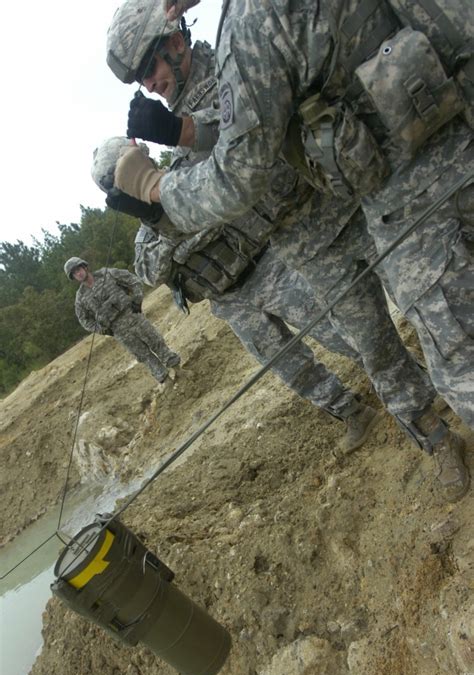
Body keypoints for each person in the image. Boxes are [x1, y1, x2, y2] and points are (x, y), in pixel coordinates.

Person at [101, 9, 469, 500]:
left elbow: (248, 139)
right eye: (143, 78)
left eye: (152, 67)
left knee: (434, 306)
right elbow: (212, 203)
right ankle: (437, 437)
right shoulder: (172, 129)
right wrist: (152, 208)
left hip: (356, 199)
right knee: (374, 346)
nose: (152, 83)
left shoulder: (241, 56)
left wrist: (186, 131)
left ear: (175, 40)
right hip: (305, 243)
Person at [92, 137, 381, 455]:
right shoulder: (147, 237)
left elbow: (222, 205)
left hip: (271, 268)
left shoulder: (192, 178)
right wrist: (159, 224)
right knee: (291, 367)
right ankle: (352, 412)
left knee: (338, 330)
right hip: (231, 302)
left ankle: (402, 379)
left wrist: (173, 224)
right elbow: (151, 272)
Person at [64, 256, 180, 383]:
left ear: (85, 267)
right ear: (73, 277)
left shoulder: (107, 274)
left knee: (156, 341)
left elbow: (133, 281)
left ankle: (178, 369)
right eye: (74, 273)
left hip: (132, 315)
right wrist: (102, 330)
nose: (78, 273)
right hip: (118, 329)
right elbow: (84, 320)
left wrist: (137, 300)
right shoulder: (80, 298)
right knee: (143, 355)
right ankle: (166, 381)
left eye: (79, 269)